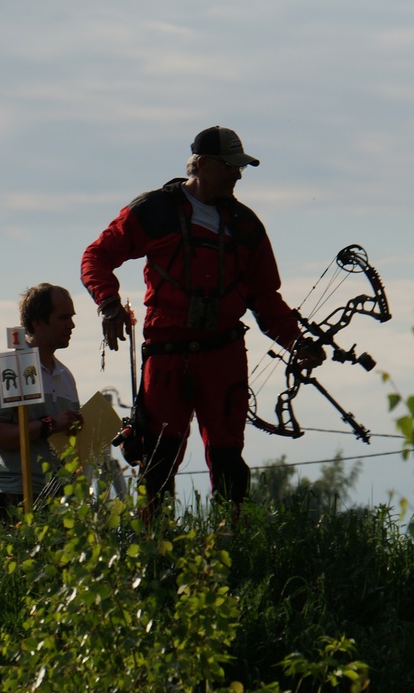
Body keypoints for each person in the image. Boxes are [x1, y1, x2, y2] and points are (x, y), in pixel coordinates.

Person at [80, 126, 321, 510]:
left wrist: (297, 342)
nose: (238, 175)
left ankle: (229, 540)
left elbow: (265, 298)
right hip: (167, 353)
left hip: (223, 354)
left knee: (227, 457)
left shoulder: (247, 225)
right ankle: (155, 547)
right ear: (204, 165)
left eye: (241, 168)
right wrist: (108, 303)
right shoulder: (153, 210)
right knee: (158, 457)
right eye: (231, 166)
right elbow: (97, 256)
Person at [0, 283, 83, 519]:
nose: (71, 325)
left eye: (71, 317)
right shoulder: (5, 371)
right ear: (37, 322)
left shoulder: (65, 376)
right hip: (18, 498)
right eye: (63, 317)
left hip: (62, 498)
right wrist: (49, 425)